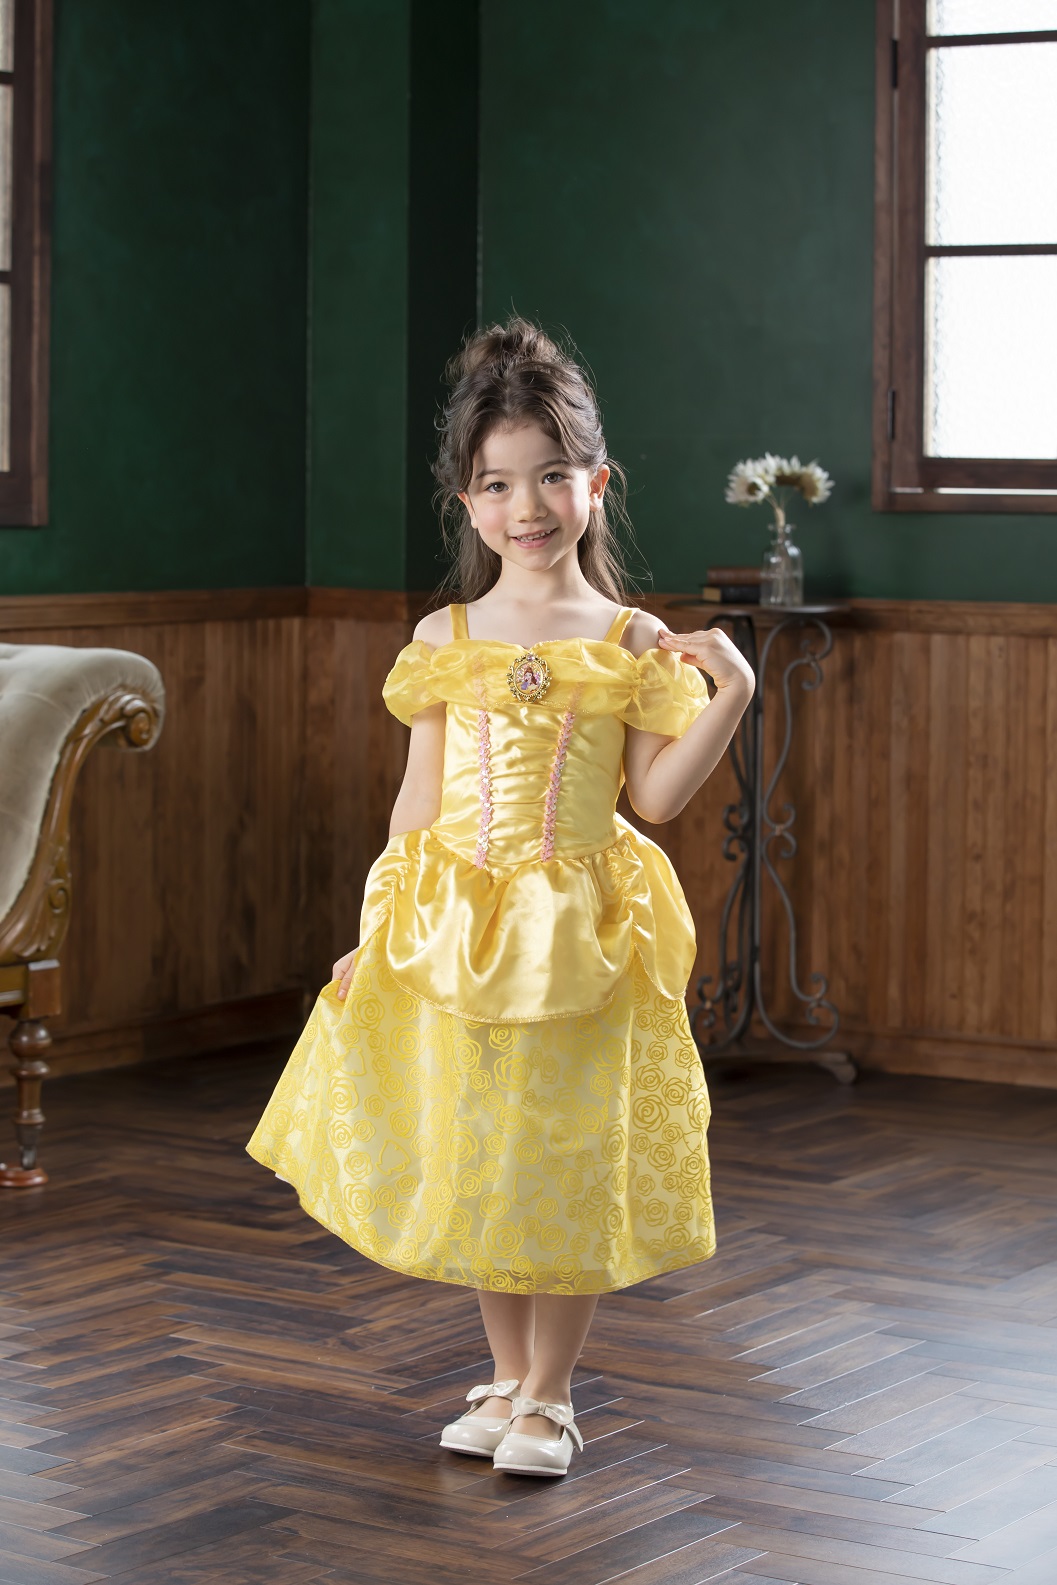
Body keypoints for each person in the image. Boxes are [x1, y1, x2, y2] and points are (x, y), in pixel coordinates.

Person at [247, 317, 754, 1478]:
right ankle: (504, 1374)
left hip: (578, 929)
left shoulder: (629, 638)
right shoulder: (445, 634)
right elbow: (414, 804)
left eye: (551, 477)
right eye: (496, 484)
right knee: (482, 1145)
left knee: (562, 1152)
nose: (527, 506)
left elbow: (655, 797)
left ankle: (553, 1393)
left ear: (595, 484)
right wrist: (374, 933)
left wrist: (730, 691)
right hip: (453, 925)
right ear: (465, 504)